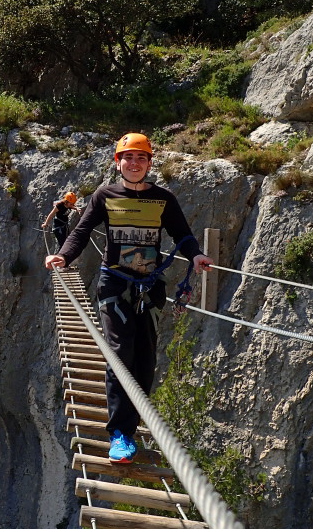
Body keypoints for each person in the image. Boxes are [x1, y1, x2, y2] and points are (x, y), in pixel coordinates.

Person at [44, 132, 213, 463]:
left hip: (150, 287)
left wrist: (196, 256)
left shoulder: (163, 198)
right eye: (128, 158)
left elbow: (183, 234)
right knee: (120, 354)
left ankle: (134, 424)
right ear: (117, 162)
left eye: (141, 158)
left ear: (149, 163)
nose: (134, 164)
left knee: (145, 357)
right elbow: (81, 231)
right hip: (115, 284)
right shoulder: (104, 196)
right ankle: (120, 433)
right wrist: (64, 256)